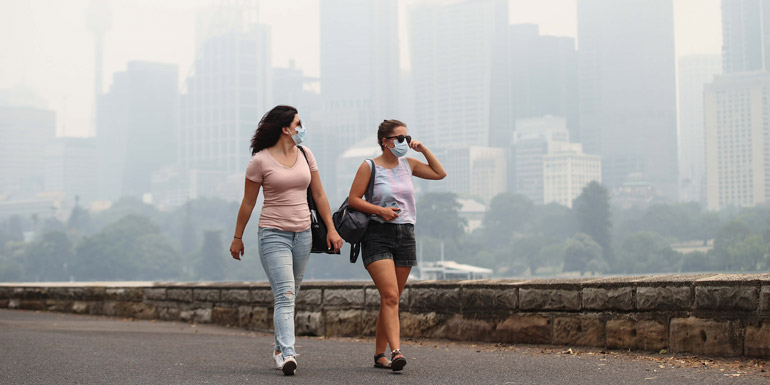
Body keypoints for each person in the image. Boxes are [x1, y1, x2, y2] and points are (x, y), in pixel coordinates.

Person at [229, 105, 343, 376]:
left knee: (291, 294)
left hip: (303, 234)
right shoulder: (260, 160)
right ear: (285, 128)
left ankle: (280, 348)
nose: (302, 128)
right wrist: (237, 237)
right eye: (298, 123)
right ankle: (289, 354)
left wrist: (332, 229)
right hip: (273, 234)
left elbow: (319, 194)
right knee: (285, 293)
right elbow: (248, 202)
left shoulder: (306, 154)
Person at [347, 119, 446, 371]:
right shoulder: (369, 166)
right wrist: (380, 210)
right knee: (390, 295)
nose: (404, 142)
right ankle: (396, 352)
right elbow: (354, 200)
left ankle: (379, 354)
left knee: (390, 298)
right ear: (385, 141)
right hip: (377, 234)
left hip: (405, 234)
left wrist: (422, 149)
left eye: (406, 137)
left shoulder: (408, 165)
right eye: (399, 138)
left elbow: (439, 173)